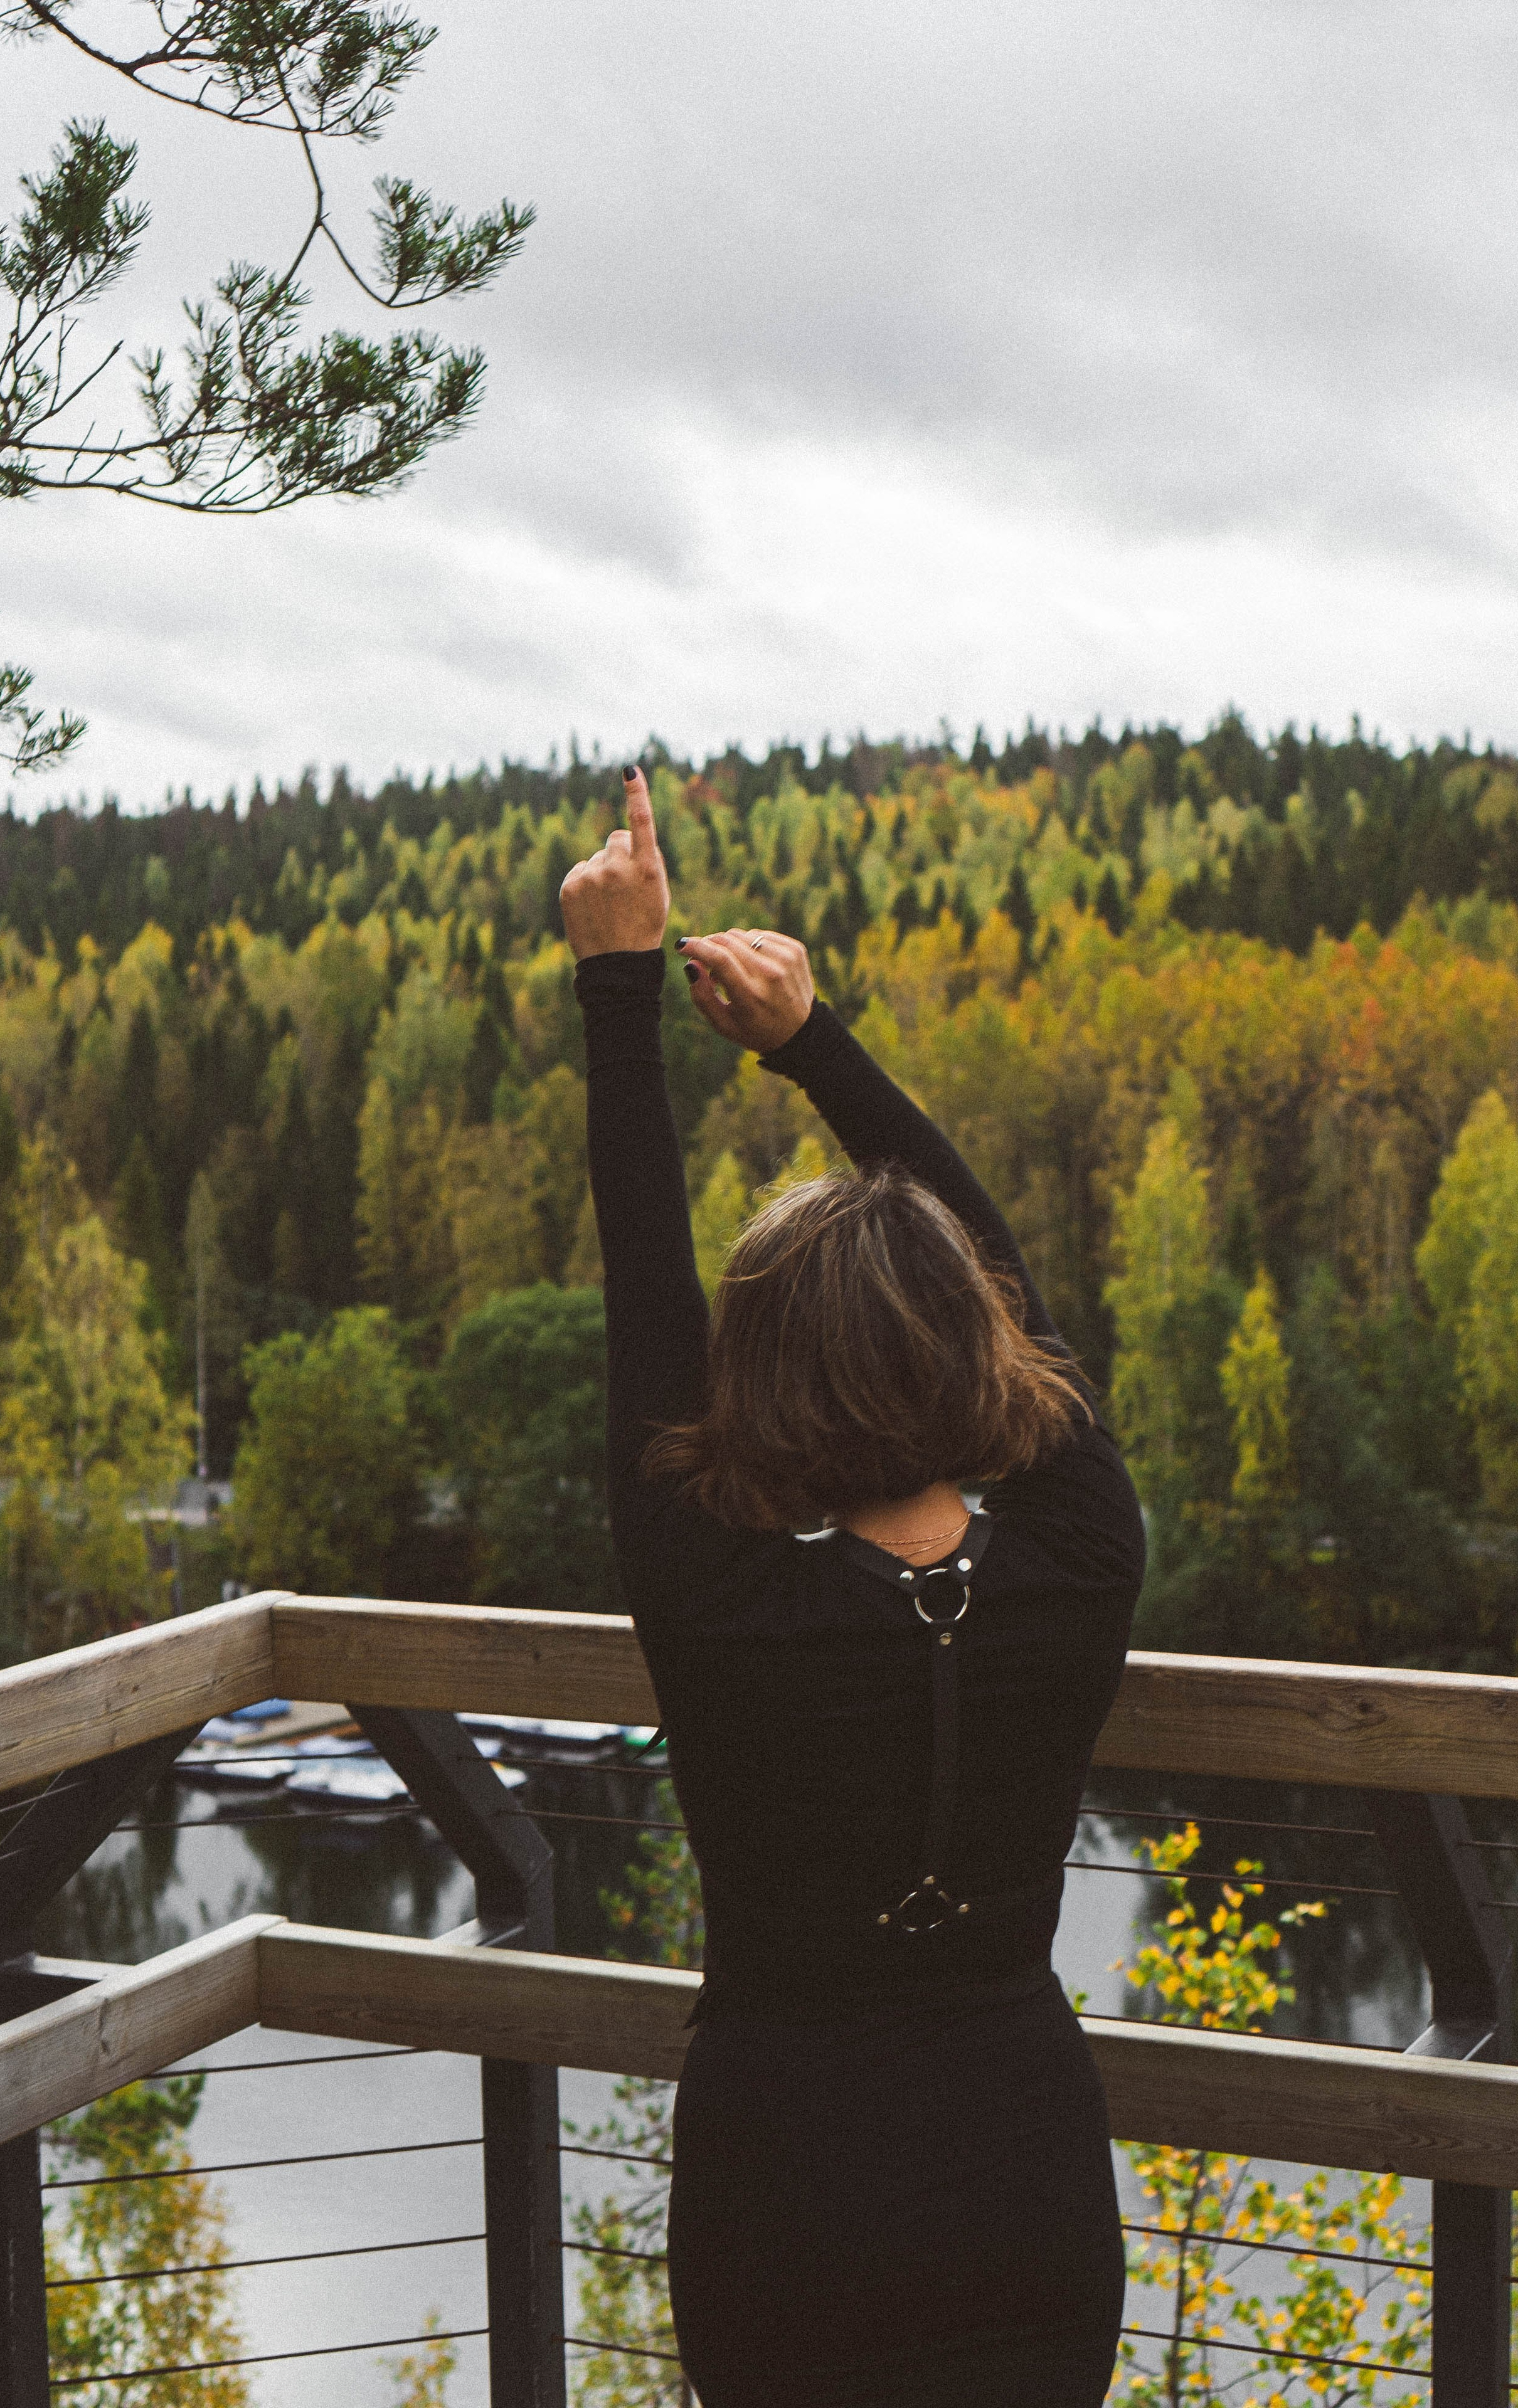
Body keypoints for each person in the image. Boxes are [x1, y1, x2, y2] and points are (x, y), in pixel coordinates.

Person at [561, 768, 1145, 2408]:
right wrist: (814, 1043)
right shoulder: (1082, 1558)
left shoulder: (718, 1593)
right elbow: (1009, 1277)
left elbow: (645, 1307)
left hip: (788, 2183)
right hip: (1025, 2172)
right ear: (978, 1341)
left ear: (759, 1373)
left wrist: (621, 989)